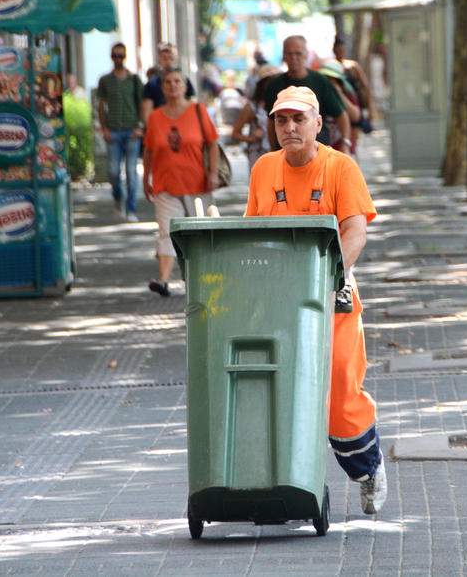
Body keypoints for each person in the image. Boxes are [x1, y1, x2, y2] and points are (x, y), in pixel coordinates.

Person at [244, 85, 386, 515]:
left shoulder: (340, 167)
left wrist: (327, 277)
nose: (289, 128)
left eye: (298, 119)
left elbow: (355, 231)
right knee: (283, 393)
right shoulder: (263, 170)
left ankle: (368, 469)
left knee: (340, 390)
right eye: (281, 120)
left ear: (318, 123)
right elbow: (252, 235)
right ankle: (293, 486)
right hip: (278, 300)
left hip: (332, 297)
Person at [141, 67, 220, 297]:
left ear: (185, 86)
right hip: (165, 185)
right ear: (162, 88)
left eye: (177, 81)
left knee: (201, 233)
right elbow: (148, 150)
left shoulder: (198, 111)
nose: (173, 86)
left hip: (197, 184)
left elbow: (212, 143)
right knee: (166, 231)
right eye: (167, 82)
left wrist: (213, 172)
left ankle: (204, 277)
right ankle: (164, 281)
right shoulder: (155, 117)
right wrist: (146, 178)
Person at [263, 35, 350, 150]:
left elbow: (341, 114)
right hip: (286, 150)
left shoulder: (321, 81)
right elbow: (270, 121)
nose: (293, 58)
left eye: (298, 53)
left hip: (317, 149)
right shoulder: (274, 85)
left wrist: (346, 143)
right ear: (284, 56)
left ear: (306, 55)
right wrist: (273, 150)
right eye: (289, 53)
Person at [96, 42, 144, 221]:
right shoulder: (105, 80)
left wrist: (140, 126)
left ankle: (131, 209)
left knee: (132, 172)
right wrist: (104, 128)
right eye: (115, 55)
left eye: (121, 56)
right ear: (111, 57)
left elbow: (141, 104)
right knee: (113, 171)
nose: (118, 59)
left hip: (131, 130)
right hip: (113, 131)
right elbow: (100, 106)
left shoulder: (134, 79)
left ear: (125, 57)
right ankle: (118, 198)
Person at [231, 64, 283, 171]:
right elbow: (235, 134)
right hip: (260, 159)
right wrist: (252, 138)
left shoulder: (284, 104)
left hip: (281, 157)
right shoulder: (252, 107)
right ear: (263, 84)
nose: (275, 84)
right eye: (271, 80)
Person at [140, 43, 196, 120]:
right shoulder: (152, 83)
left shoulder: (185, 80)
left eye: (170, 58)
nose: (168, 61)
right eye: (165, 58)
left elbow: (190, 103)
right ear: (159, 58)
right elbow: (147, 109)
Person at [317, 59, 362, 156]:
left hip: (342, 151)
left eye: (331, 79)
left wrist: (339, 94)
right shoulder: (317, 96)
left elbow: (355, 116)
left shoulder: (347, 93)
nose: (328, 83)